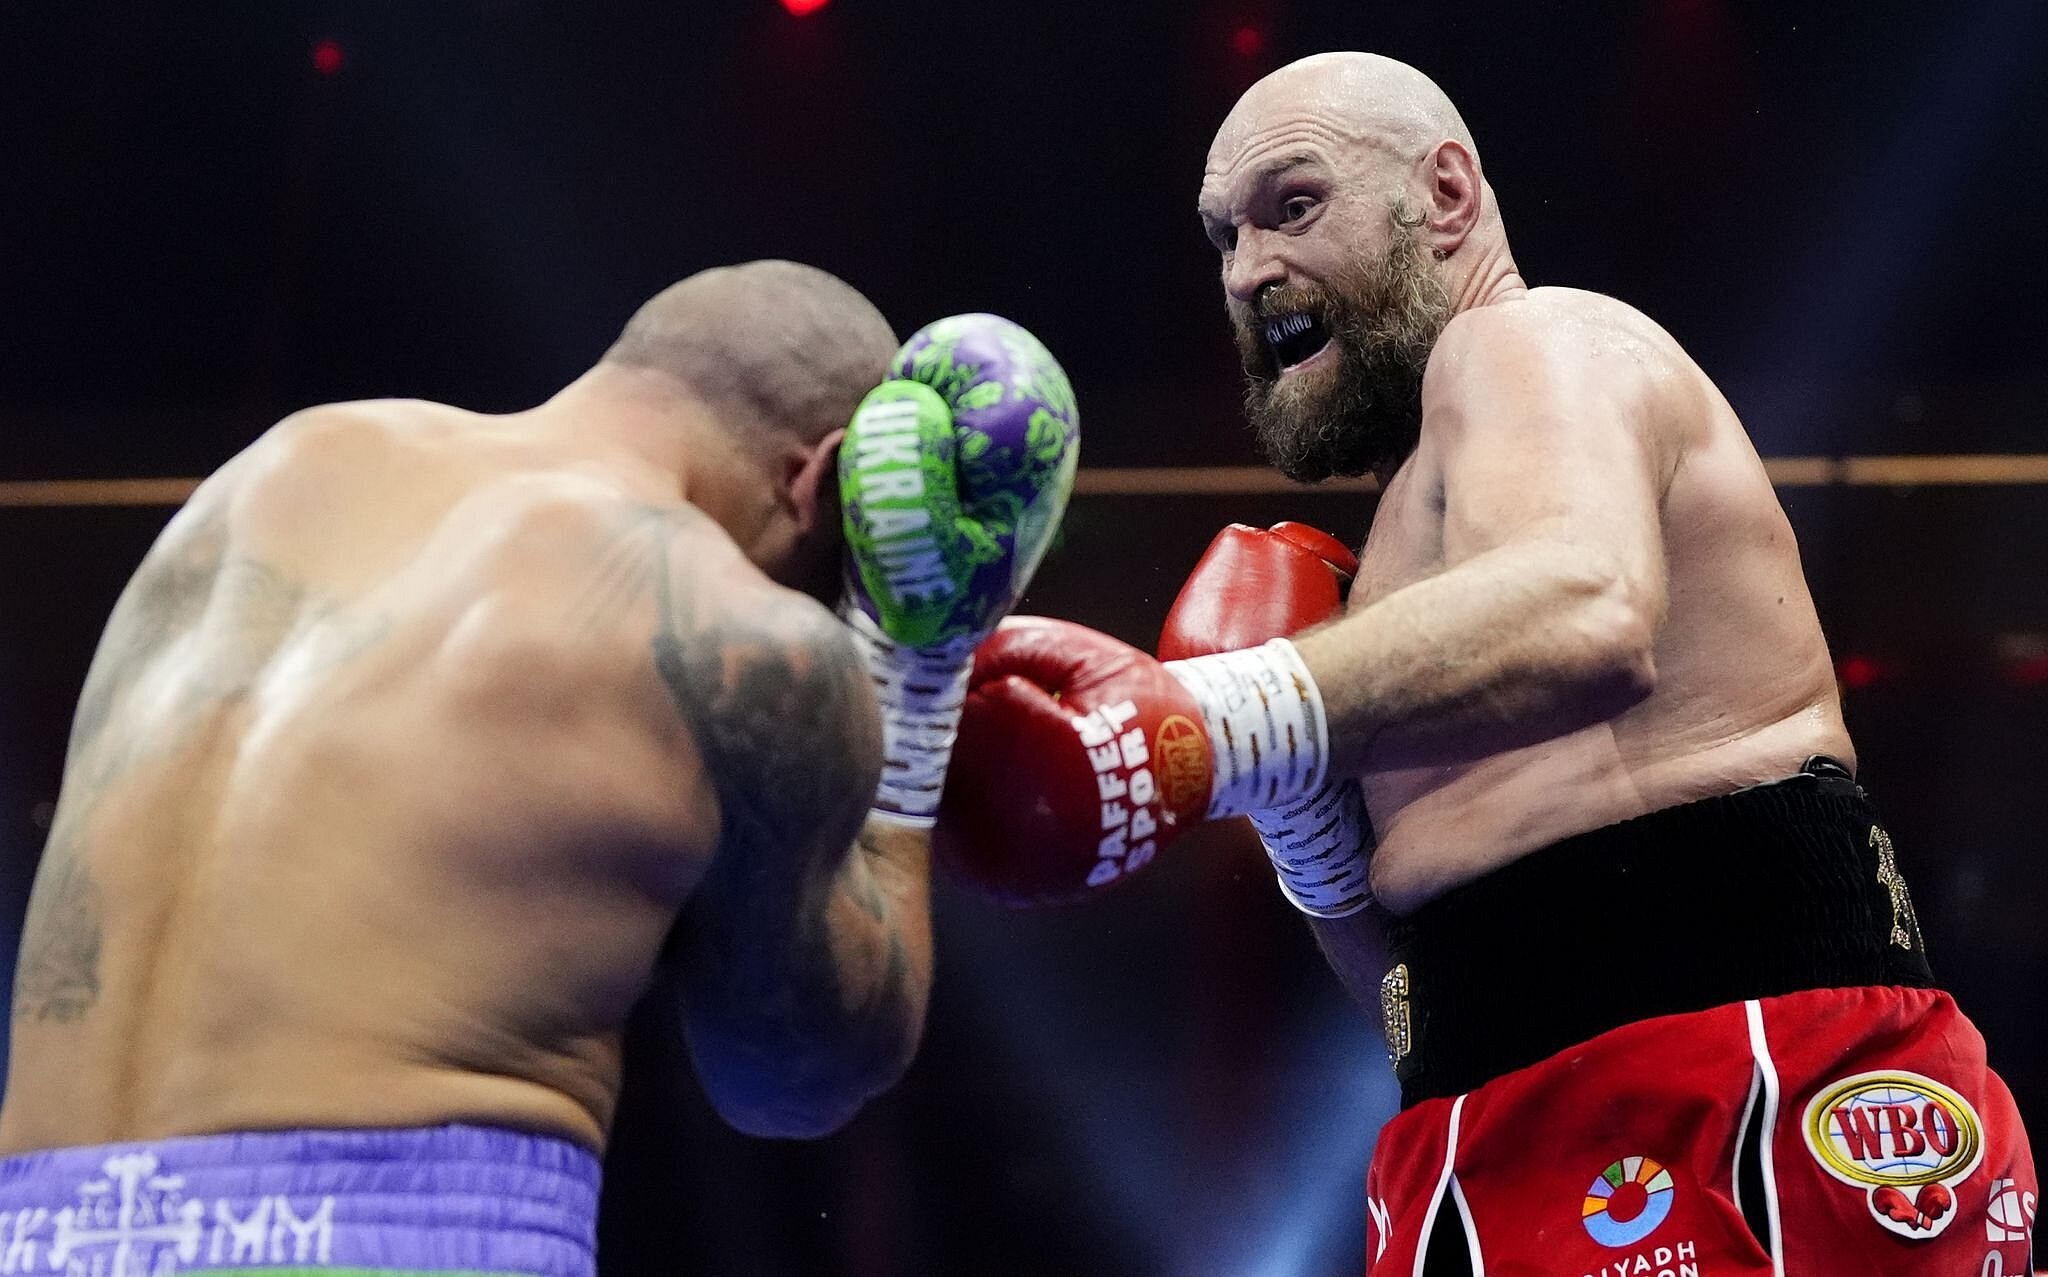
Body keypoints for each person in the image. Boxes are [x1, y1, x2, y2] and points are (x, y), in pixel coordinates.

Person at [938, 54, 2037, 1274]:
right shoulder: (1404, 558)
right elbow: (1423, 999)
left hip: (1737, 1087)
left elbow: (1591, 609)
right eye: (1223, 237)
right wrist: (1305, 826)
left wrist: (1213, 713)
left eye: (1291, 205)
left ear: (1446, 196)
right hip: (1486, 1125)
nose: (1246, 269)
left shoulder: (1532, 339)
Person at [0, 260, 1078, 1276]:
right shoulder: (744, 636)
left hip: (37, 1228)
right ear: (827, 478)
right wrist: (913, 670)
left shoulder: (267, 477)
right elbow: (796, 1074)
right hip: (384, 1232)